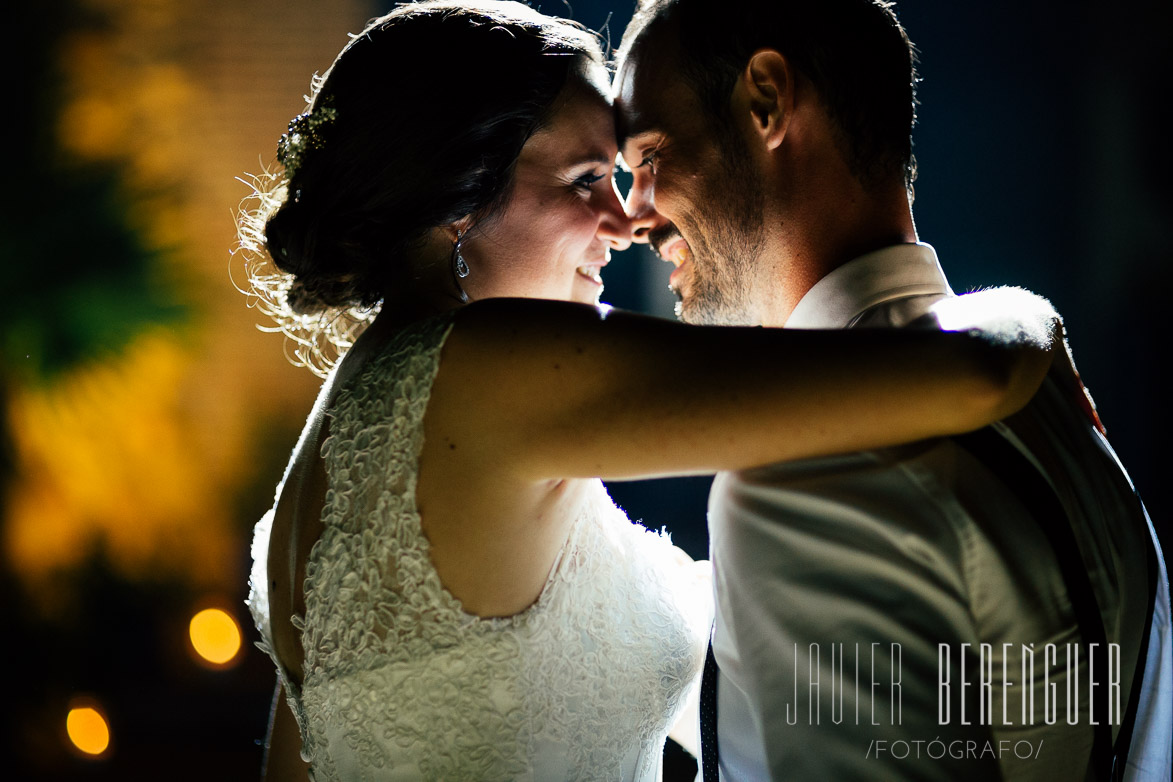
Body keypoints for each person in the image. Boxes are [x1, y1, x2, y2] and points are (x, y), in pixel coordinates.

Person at [239, 2, 1058, 780]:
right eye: (587, 178)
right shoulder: (492, 370)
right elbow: (971, 372)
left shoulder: (343, 437)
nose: (626, 219)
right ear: (461, 199)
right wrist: (1026, 316)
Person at [614, 0, 1172, 780]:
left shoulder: (808, 477)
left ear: (765, 100)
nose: (631, 214)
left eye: (647, 157)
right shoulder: (1048, 401)